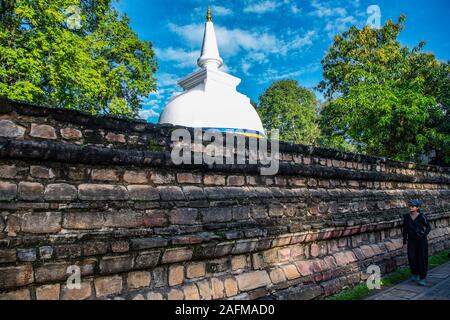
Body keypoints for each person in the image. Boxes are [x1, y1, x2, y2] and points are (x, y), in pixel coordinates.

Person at [403, 199, 431, 286]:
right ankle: (415, 273)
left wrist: (424, 234)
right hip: (411, 241)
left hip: (421, 241)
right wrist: (404, 242)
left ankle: (422, 278)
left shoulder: (422, 216)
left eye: (413, 206)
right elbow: (405, 230)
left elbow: (428, 227)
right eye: (410, 206)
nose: (411, 207)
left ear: (417, 207)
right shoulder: (406, 217)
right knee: (411, 257)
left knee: (421, 258)